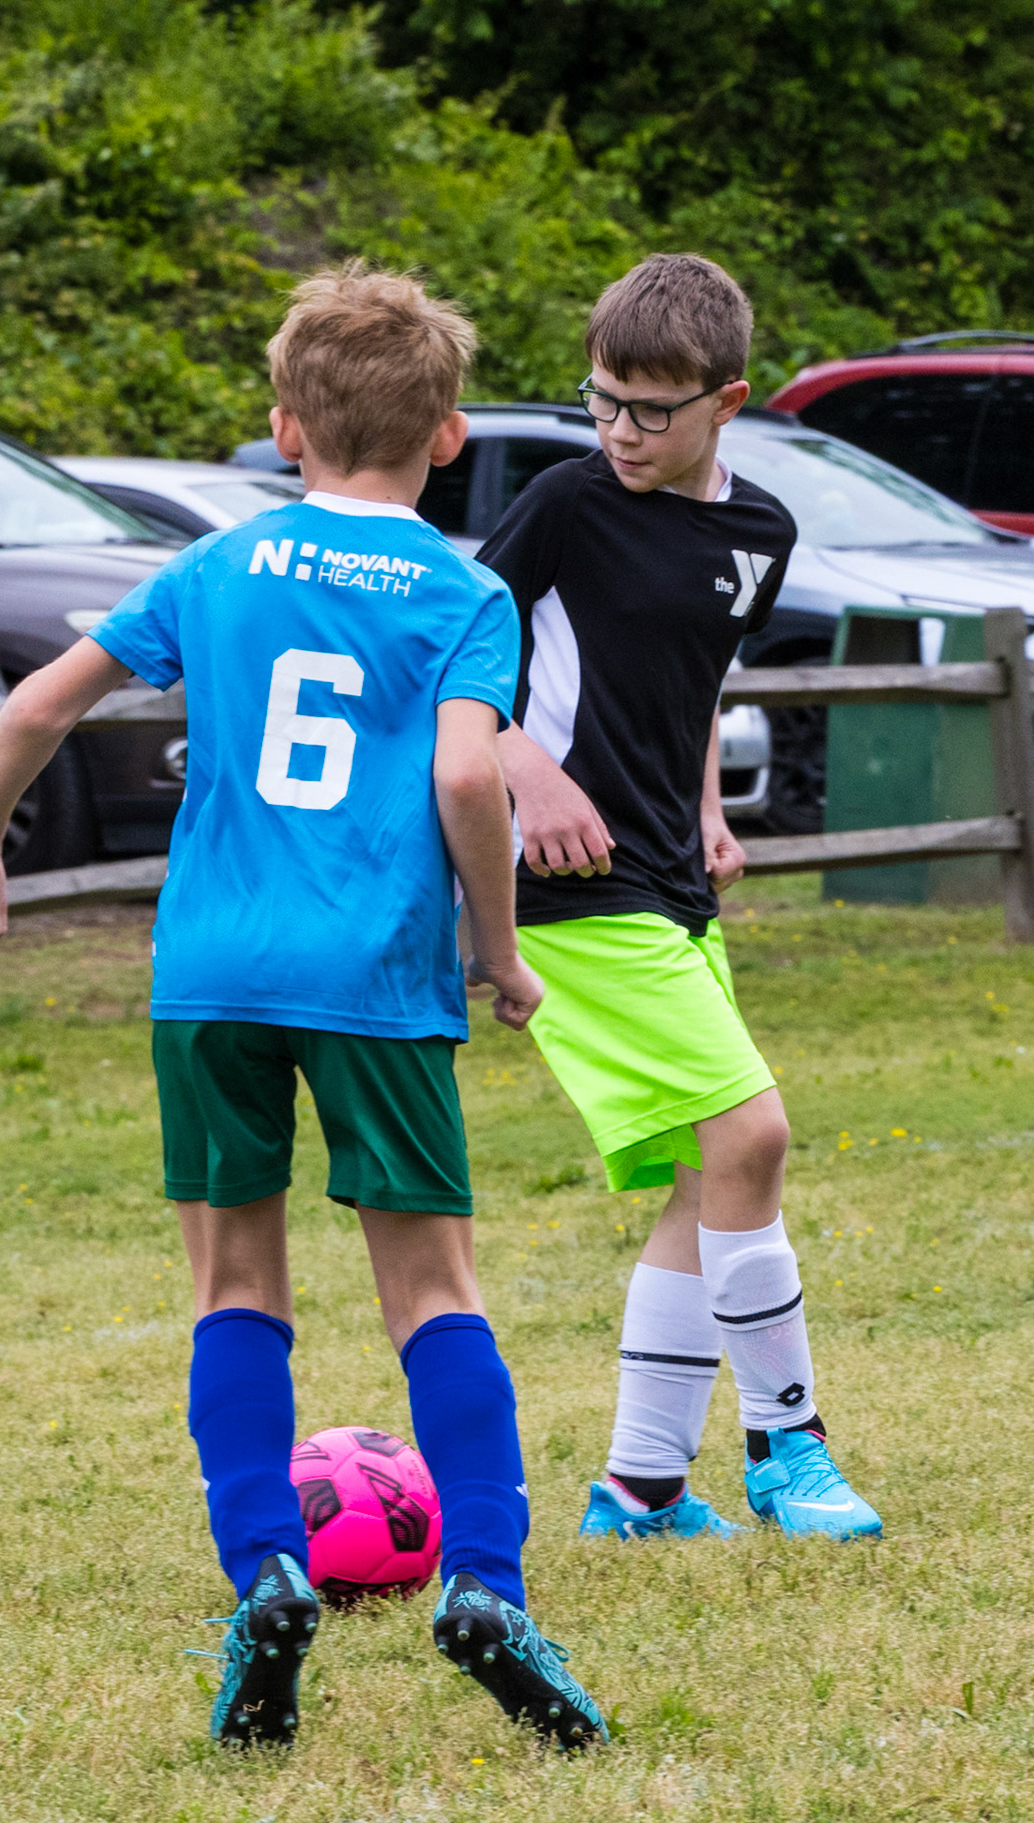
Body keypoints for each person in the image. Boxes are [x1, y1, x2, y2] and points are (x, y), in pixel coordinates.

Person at [0, 264, 607, 1753]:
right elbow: (467, 773)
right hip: (374, 980)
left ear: (285, 428)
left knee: (235, 1286)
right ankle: (486, 1585)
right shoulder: (466, 594)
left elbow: (37, 704)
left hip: (211, 972)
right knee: (435, 1295)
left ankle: (266, 1570)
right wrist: (499, 948)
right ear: (451, 436)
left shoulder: (214, 567)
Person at [477, 253, 881, 1544]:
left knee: (705, 1179)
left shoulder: (761, 535)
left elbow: (695, 682)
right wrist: (524, 766)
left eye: (650, 410)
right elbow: (443, 662)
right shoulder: (564, 505)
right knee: (751, 1138)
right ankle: (788, 1447)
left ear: (728, 402)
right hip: (566, 886)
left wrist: (707, 805)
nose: (620, 431)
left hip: (669, 879)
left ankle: (641, 1488)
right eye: (601, 401)